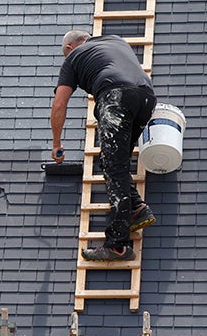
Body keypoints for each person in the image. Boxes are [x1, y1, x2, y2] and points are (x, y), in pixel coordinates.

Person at [50, 29, 157, 261]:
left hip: (116, 98)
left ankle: (117, 245)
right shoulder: (116, 40)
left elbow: (59, 104)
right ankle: (137, 209)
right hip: (146, 98)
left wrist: (57, 143)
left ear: (69, 48)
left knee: (113, 166)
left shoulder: (73, 58)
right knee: (117, 160)